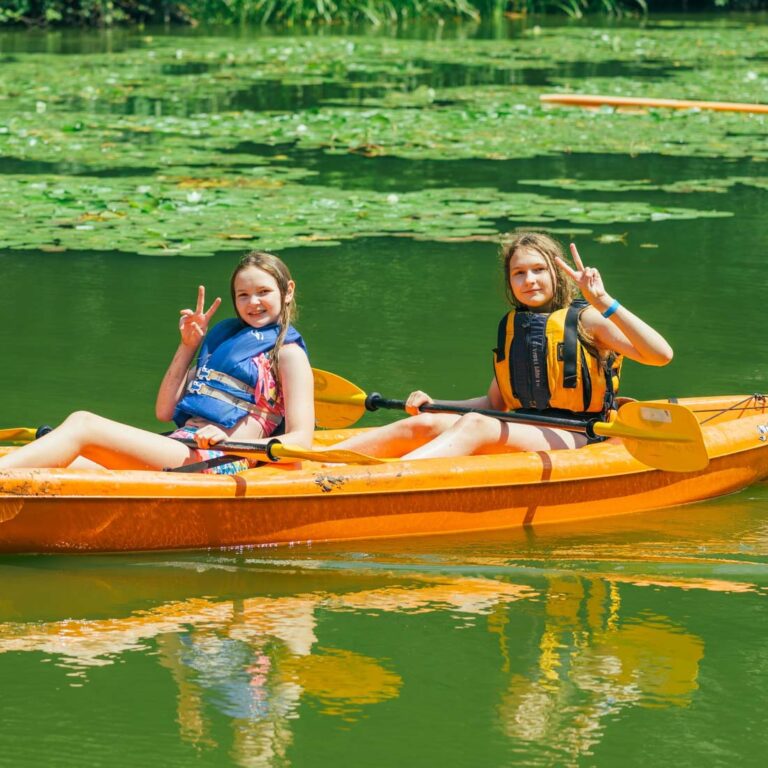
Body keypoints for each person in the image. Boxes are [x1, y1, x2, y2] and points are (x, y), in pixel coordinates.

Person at [335, 231, 673, 460]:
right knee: (426, 423)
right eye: (519, 273)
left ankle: (389, 478)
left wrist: (603, 301)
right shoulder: (516, 328)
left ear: (559, 273)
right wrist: (435, 403)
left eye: (539, 270)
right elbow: (494, 402)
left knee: (477, 424)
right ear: (510, 282)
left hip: (582, 435)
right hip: (526, 430)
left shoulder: (589, 320)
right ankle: (325, 461)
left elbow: (661, 355)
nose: (530, 280)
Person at [0, 251, 315, 472]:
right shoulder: (225, 346)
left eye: (263, 292)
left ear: (287, 292)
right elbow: (164, 411)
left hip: (218, 459)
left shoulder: (288, 354)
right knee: (68, 459)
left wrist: (227, 441)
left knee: (83, 424)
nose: (253, 302)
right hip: (182, 446)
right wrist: (188, 345)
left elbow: (302, 440)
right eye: (243, 295)